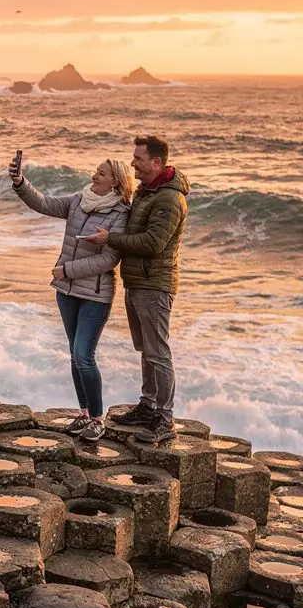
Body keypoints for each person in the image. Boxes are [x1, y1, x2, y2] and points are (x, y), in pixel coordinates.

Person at [9, 157, 134, 440]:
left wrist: (67, 270)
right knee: (74, 355)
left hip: (95, 295)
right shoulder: (80, 201)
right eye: (95, 171)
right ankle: (84, 413)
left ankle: (98, 420)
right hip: (67, 292)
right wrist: (20, 183)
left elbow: (109, 260)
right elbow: (45, 203)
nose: (94, 176)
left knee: (83, 356)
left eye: (101, 173)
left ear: (115, 181)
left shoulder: (120, 214)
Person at [89, 134, 190, 445]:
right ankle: (148, 407)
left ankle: (165, 418)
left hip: (155, 285)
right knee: (146, 349)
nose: (133, 163)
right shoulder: (147, 191)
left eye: (139, 159)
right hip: (137, 282)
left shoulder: (169, 198)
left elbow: (153, 243)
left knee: (158, 352)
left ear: (156, 162)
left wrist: (110, 238)